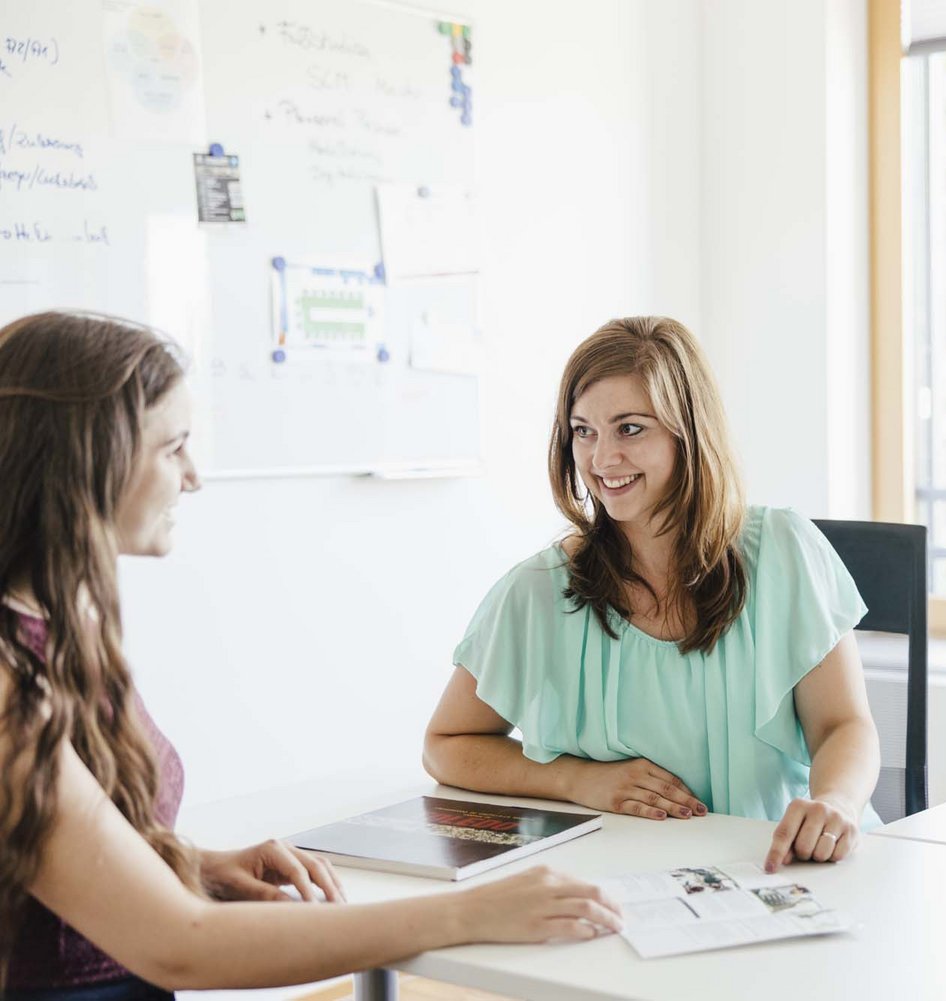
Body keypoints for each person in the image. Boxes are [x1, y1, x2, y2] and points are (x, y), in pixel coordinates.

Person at [0, 312, 621, 1000]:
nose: (194, 476)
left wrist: (194, 864)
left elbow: (56, 864)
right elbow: (180, 945)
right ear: (85, 458)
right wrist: (470, 912)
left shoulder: (60, 620)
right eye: (172, 446)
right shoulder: (8, 683)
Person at [424, 316, 881, 874]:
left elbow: (844, 726)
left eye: (630, 428)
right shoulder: (539, 590)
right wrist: (574, 779)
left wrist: (835, 802)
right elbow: (445, 745)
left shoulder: (786, 551)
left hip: (789, 868)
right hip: (634, 883)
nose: (601, 459)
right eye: (583, 430)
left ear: (688, 433)